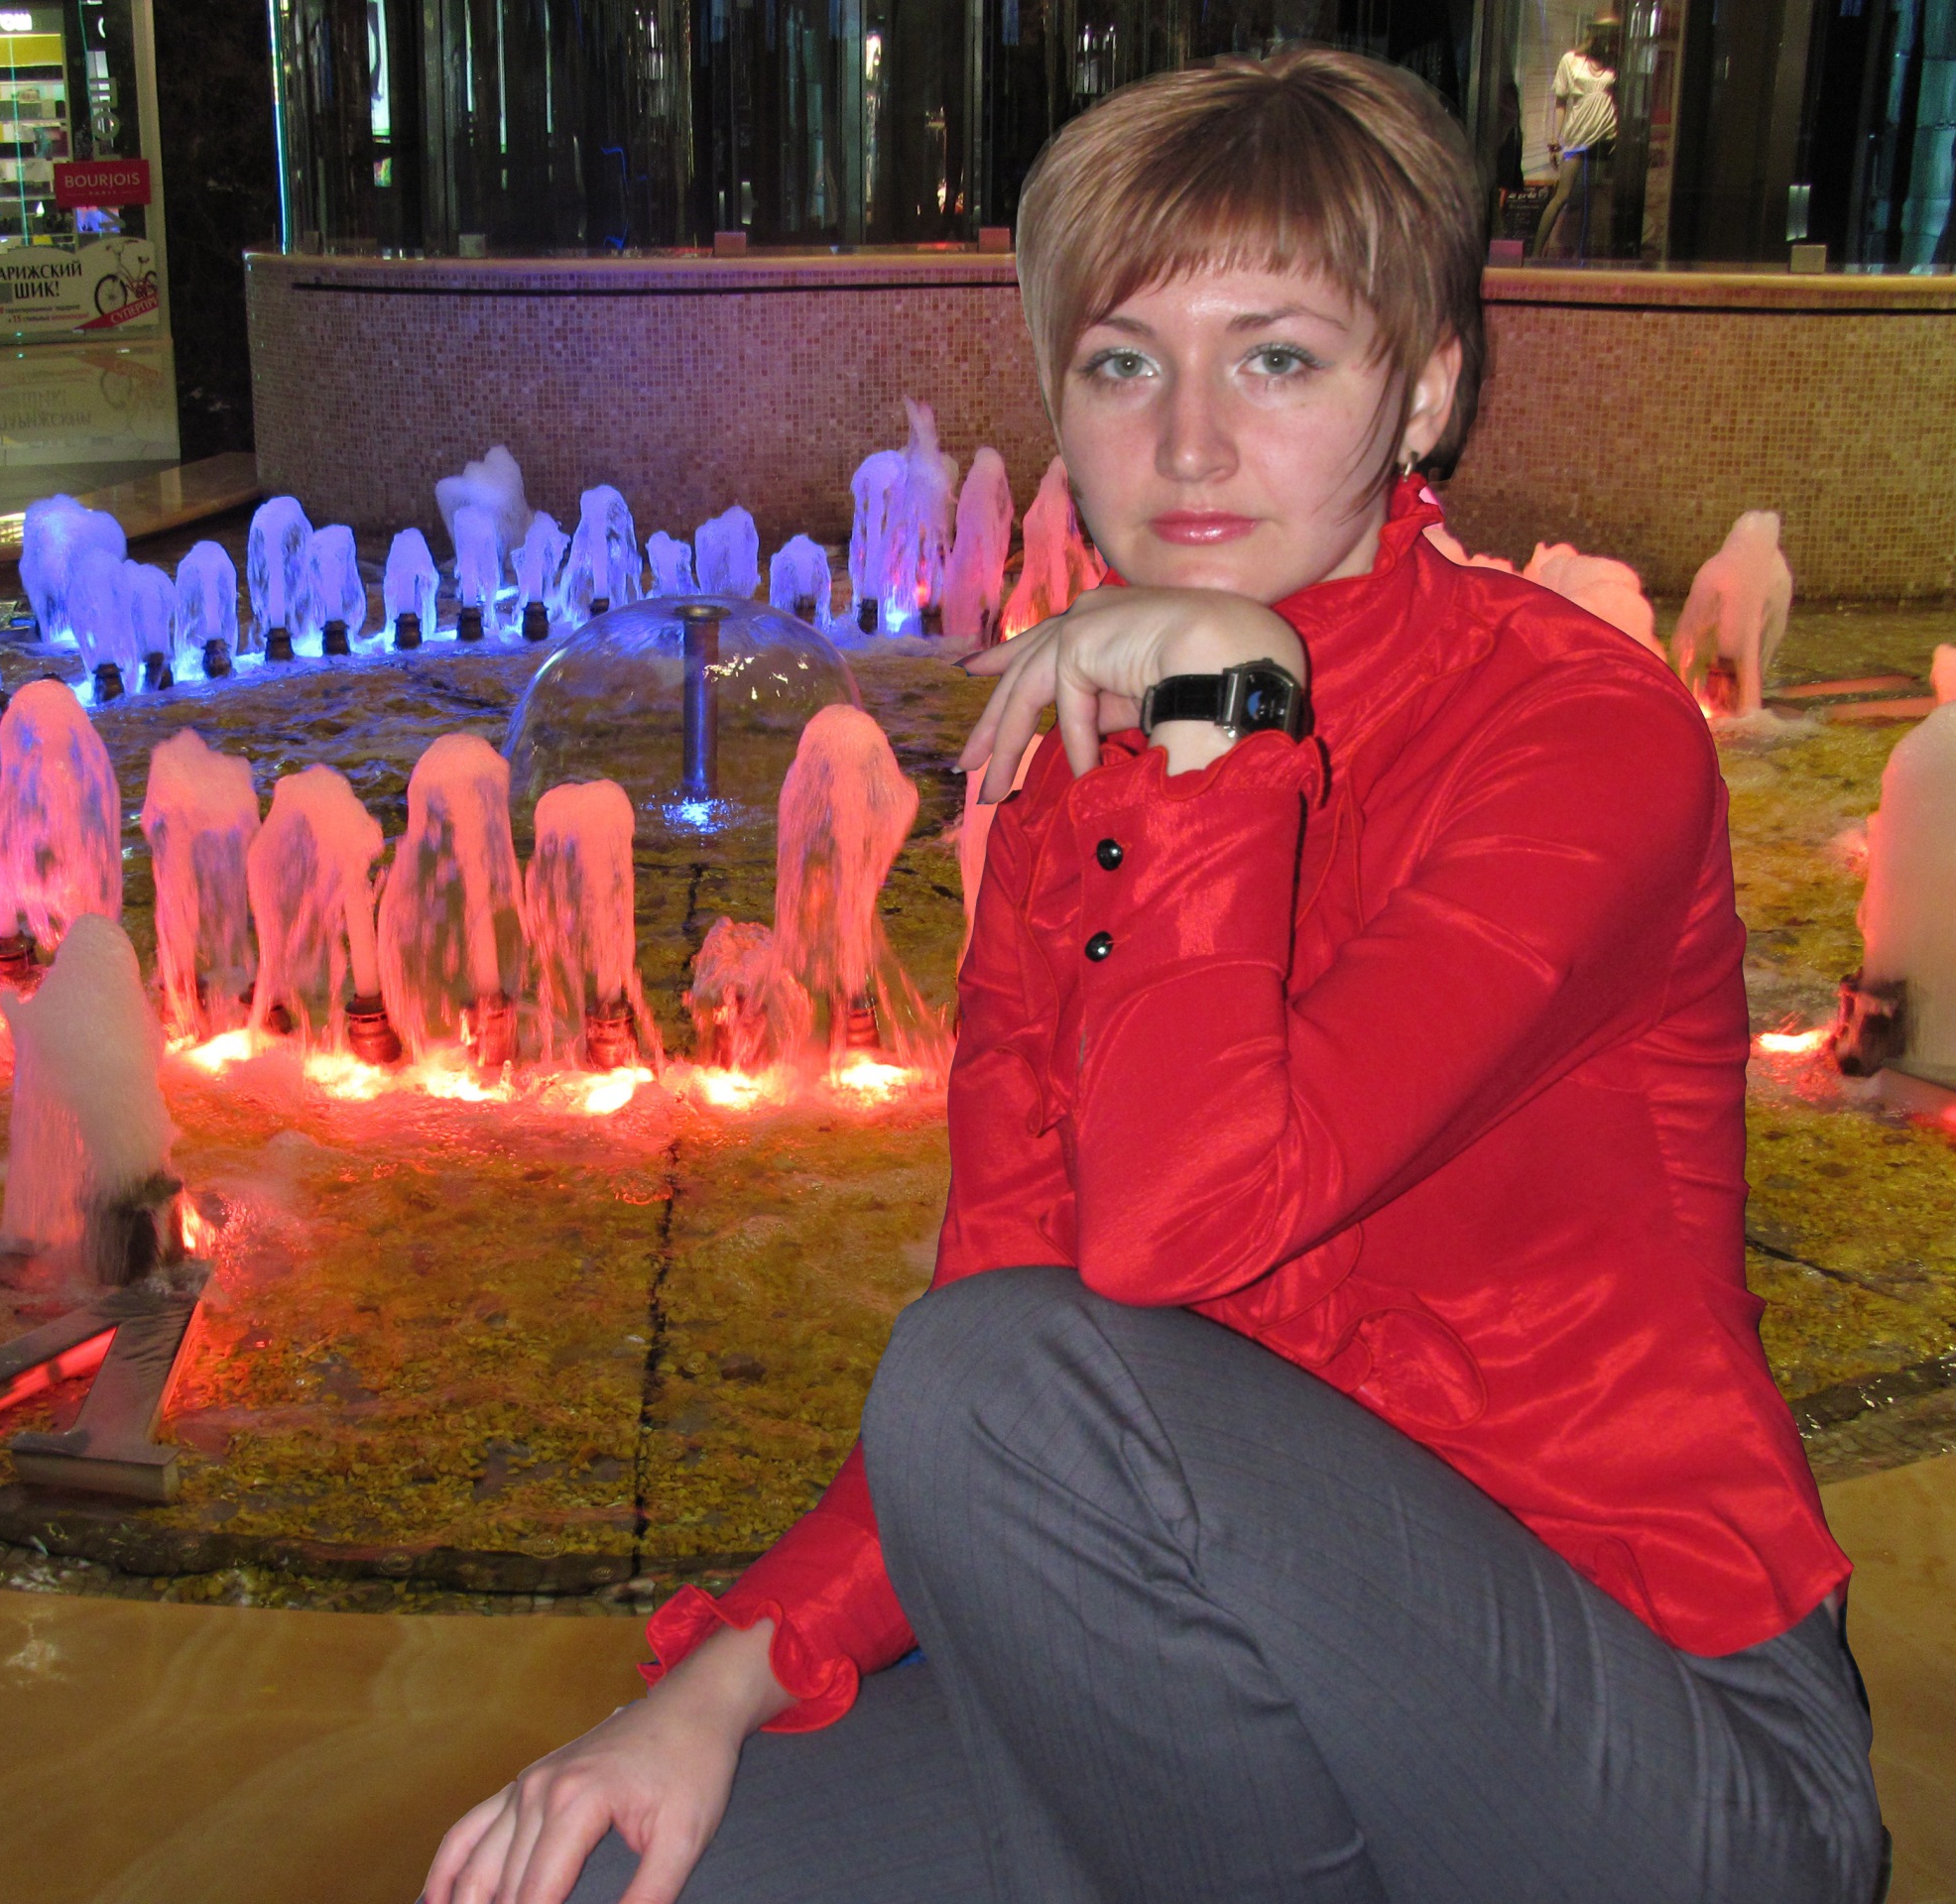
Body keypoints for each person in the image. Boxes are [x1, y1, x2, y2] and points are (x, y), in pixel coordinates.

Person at [423, 47, 1886, 1904]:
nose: (1189, 444)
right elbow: (1014, 1282)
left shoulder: (1580, 736)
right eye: (1124, 365)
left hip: (1647, 1739)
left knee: (989, 1382)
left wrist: (1221, 717)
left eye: (1277, 360)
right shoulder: (1070, 791)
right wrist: (719, 1684)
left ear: (1427, 389)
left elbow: (1172, 1240)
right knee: (625, 1871)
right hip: (1241, 1667)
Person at [1534, 11, 1620, 260]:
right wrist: (1555, 139)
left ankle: (1593, 256)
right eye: (1604, 32)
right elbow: (1561, 102)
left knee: (1598, 197)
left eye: (1612, 33)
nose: (1607, 37)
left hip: (1606, 134)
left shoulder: (1613, 61)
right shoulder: (1571, 60)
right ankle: (1535, 253)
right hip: (1578, 134)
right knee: (1562, 196)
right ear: (1593, 32)